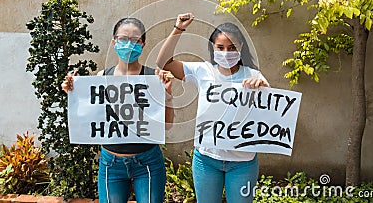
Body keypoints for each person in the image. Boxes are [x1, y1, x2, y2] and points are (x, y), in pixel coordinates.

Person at [156, 13, 269, 203]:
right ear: (213, 48)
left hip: (243, 162)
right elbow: (164, 63)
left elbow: (271, 111)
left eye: (232, 48)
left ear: (241, 48)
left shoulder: (254, 75)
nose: (226, 53)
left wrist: (262, 88)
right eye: (220, 47)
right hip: (206, 159)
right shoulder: (202, 71)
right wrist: (178, 29)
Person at [62, 17, 174, 203]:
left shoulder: (153, 78)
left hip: (147, 161)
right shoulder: (101, 77)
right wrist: (73, 92)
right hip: (110, 163)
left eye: (135, 40)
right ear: (114, 42)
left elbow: (167, 125)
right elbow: (89, 117)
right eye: (123, 39)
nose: (128, 44)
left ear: (143, 44)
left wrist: (168, 94)